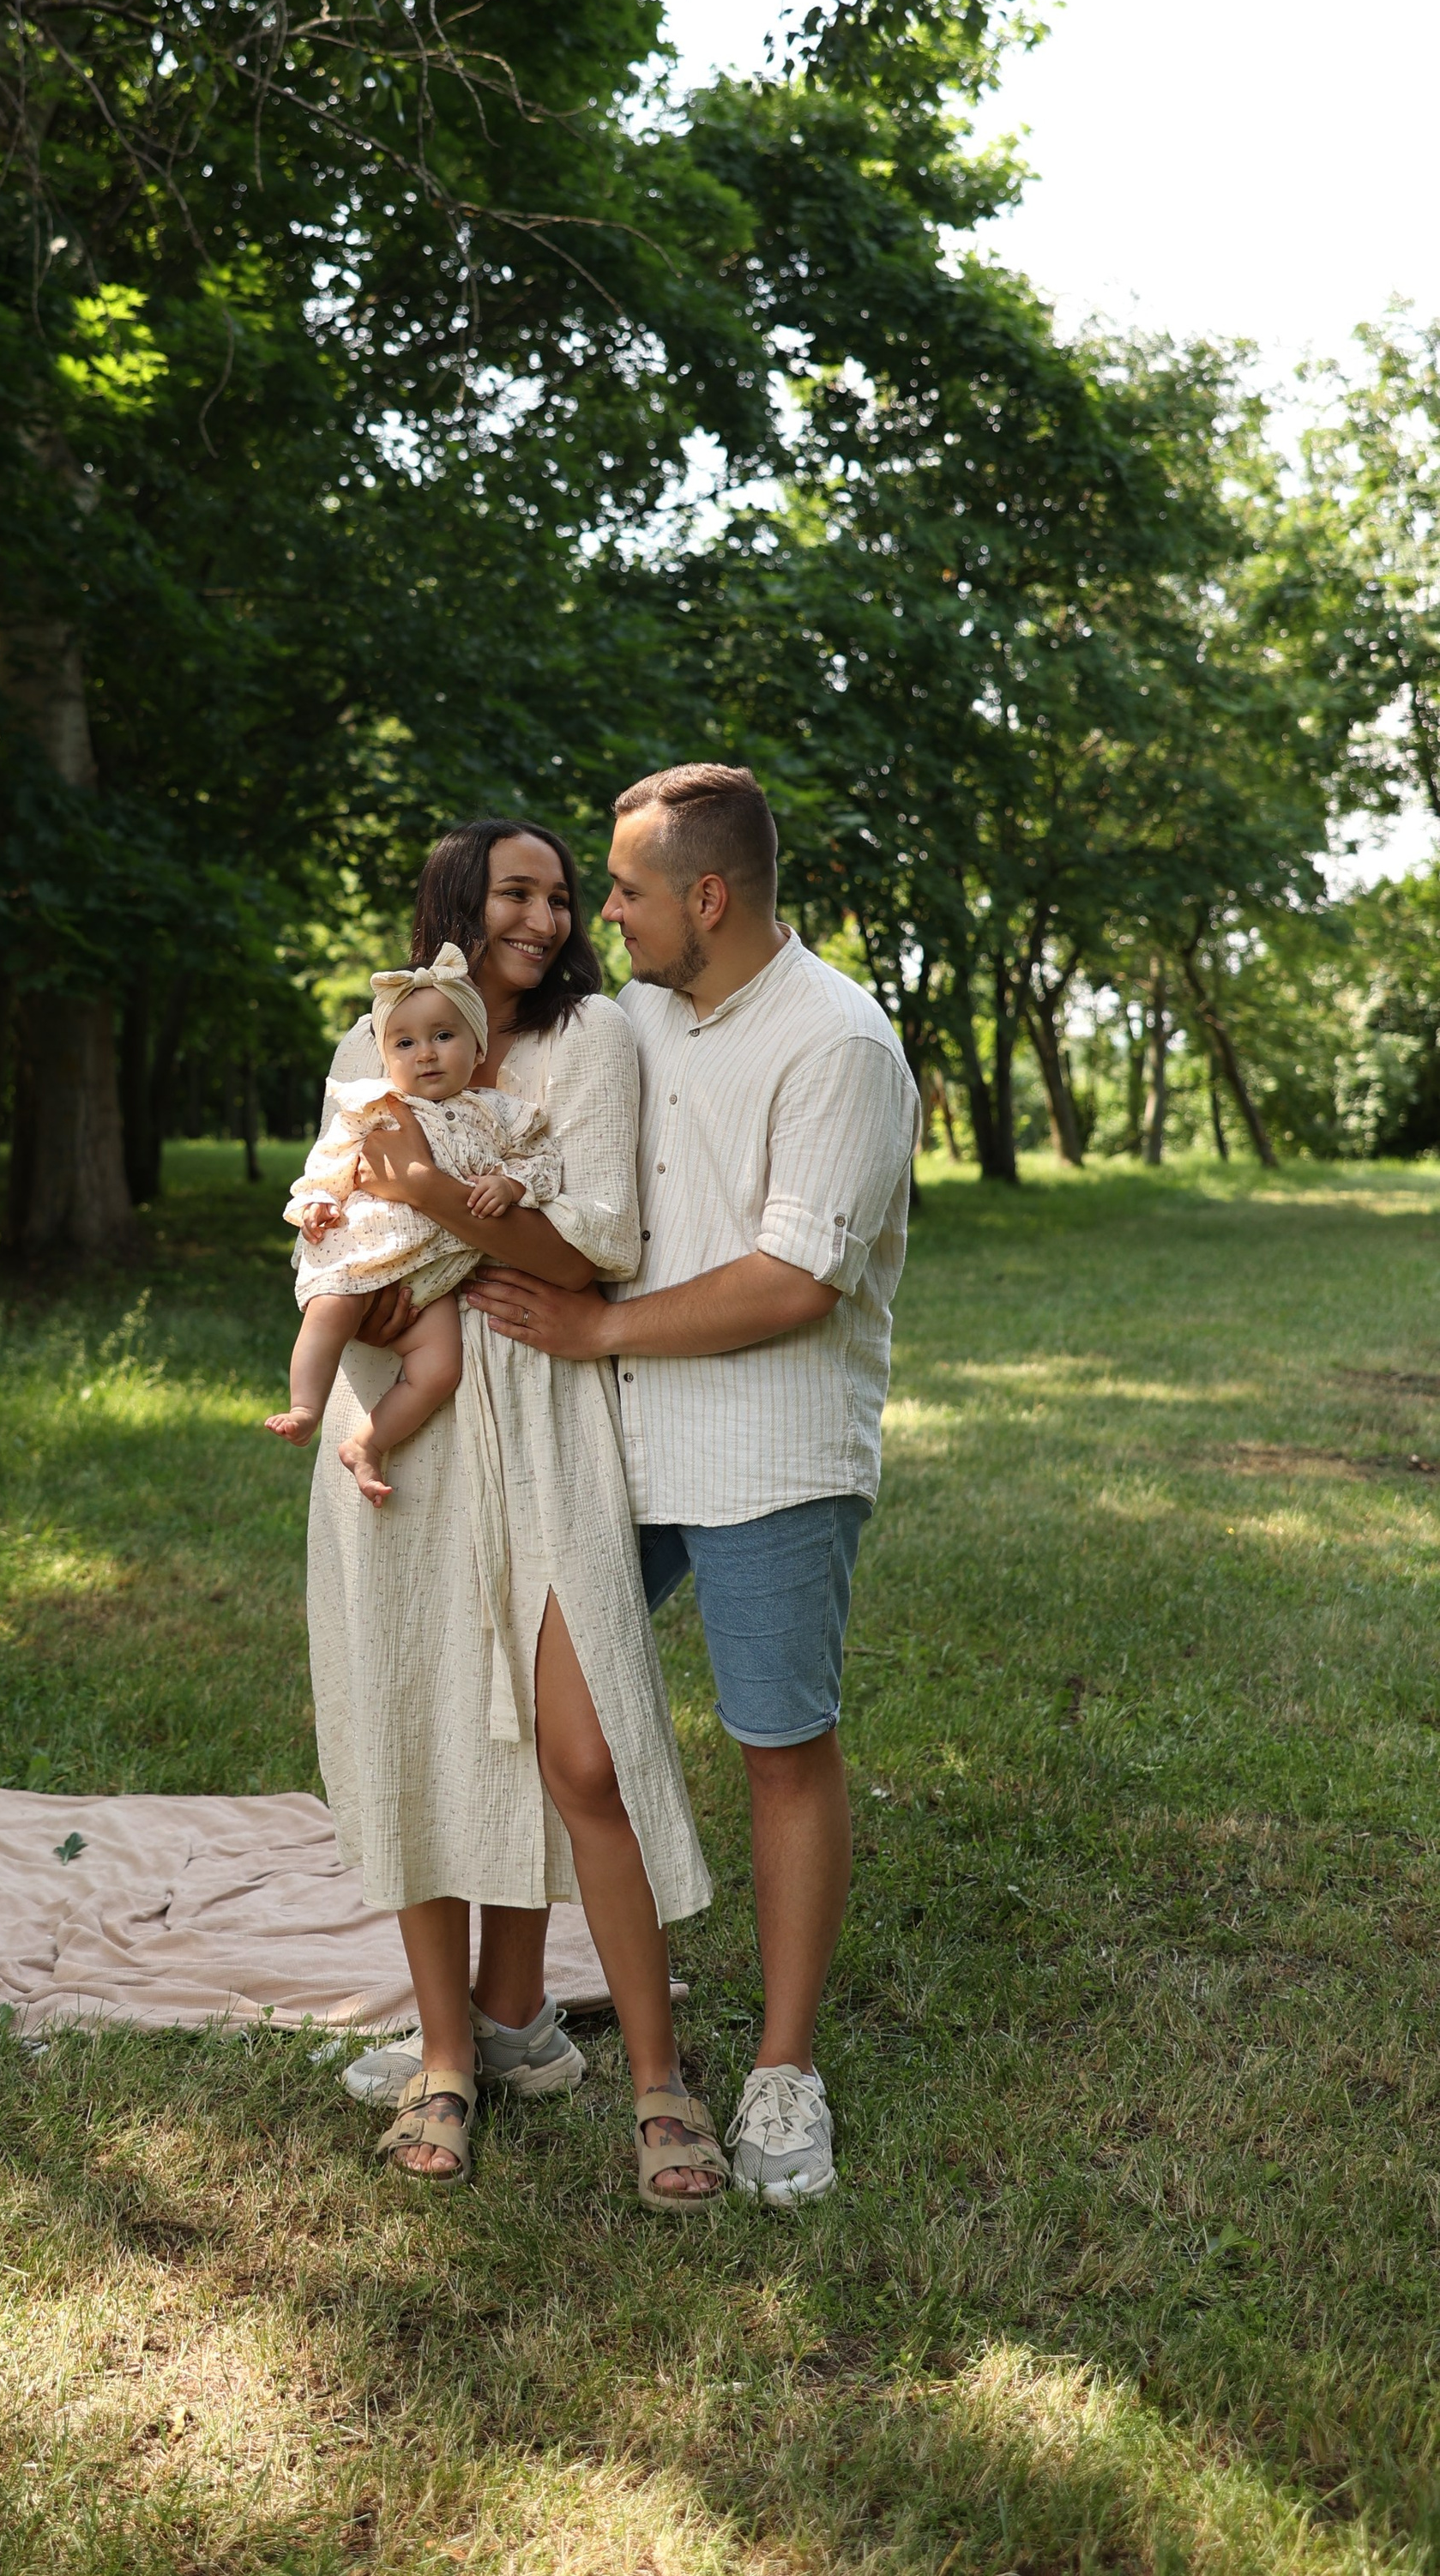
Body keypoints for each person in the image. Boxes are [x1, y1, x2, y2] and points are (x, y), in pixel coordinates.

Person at [467, 763, 919, 2206]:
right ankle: (509, 2020)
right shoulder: (636, 1020)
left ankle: (784, 2076)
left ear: (707, 898)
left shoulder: (838, 1042)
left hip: (769, 1456)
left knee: (778, 1745)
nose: (606, 914)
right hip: (612, 1442)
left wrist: (599, 1325)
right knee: (560, 1731)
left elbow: (794, 1281)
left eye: (628, 891)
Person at [304, 820, 723, 2205]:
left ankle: (659, 2083)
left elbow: (598, 1243)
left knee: (583, 1749)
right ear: (454, 905)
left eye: (559, 896)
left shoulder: (587, 1041)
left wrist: (431, 1197)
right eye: (517, 894)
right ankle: (451, 2055)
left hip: (544, 1413)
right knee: (417, 1720)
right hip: (403, 1419)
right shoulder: (374, 1048)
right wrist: (370, 1259)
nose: (546, 918)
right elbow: (329, 1242)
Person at [267, 946, 560, 1499]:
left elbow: (541, 1161)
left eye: (443, 1036)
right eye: (405, 1043)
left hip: (434, 1277)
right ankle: (305, 1404)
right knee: (331, 1312)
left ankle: (369, 1443)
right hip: (364, 1252)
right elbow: (331, 1157)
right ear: (386, 1057)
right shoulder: (376, 1104)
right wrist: (317, 1202)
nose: (425, 1054)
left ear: (477, 1050)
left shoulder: (498, 1113)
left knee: (439, 1370)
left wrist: (511, 1185)